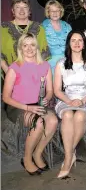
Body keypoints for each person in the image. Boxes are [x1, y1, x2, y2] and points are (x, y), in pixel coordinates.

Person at [2, 33, 58, 175]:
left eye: (32, 45)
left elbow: (50, 90)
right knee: (38, 122)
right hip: (18, 106)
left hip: (38, 104)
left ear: (37, 47)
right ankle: (27, 159)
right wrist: (28, 108)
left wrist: (47, 97)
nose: (29, 48)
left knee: (52, 121)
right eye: (25, 45)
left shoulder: (45, 66)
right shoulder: (14, 67)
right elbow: (6, 97)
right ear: (20, 48)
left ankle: (37, 153)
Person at [54, 30, 86, 179]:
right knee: (67, 114)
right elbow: (57, 90)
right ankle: (70, 156)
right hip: (65, 98)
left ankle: (68, 157)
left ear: (84, 43)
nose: (76, 43)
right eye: (73, 40)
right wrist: (69, 101)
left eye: (80, 40)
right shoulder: (61, 64)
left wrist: (82, 101)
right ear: (69, 43)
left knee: (80, 116)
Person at [1, 0, 50, 75]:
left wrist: (36, 73)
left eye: (25, 7)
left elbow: (44, 54)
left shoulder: (39, 27)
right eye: (17, 7)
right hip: (9, 74)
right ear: (13, 10)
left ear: (29, 10)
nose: (21, 10)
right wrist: (9, 73)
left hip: (35, 74)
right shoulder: (3, 28)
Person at [42, 0, 72, 76]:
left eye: (57, 10)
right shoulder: (43, 26)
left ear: (61, 11)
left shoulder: (67, 26)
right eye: (52, 11)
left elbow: (72, 45)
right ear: (48, 12)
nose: (55, 13)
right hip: (50, 63)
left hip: (67, 62)